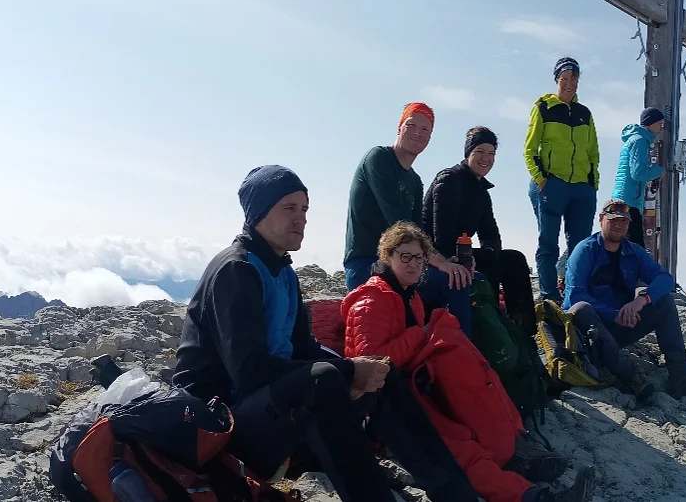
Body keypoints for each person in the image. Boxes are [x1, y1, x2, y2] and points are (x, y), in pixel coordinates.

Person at [173, 166, 478, 502]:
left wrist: (360, 368)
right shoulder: (237, 271)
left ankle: (455, 493)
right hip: (217, 426)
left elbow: (303, 347)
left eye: (304, 209)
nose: (301, 219)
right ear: (258, 212)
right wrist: (346, 372)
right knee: (324, 379)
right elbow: (249, 372)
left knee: (381, 372)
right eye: (288, 208)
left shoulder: (283, 272)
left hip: (266, 410)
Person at [342, 222, 594, 502]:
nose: (413, 265)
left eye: (419, 258)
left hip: (411, 387)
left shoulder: (407, 295)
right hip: (382, 405)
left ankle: (513, 457)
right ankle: (534, 497)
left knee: (468, 419)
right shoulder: (373, 299)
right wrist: (421, 334)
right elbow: (369, 363)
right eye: (405, 256)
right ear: (387, 257)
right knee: (457, 446)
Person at [563, 199, 686, 401]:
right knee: (580, 308)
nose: (619, 225)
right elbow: (574, 296)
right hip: (590, 332)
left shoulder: (634, 252)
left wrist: (641, 300)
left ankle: (682, 377)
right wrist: (615, 314)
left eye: (624, 221)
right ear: (601, 220)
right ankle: (630, 375)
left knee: (664, 301)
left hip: (623, 325)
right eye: (613, 220)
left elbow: (664, 279)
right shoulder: (585, 250)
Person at [343, 102, 479, 334]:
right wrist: (440, 263)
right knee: (452, 282)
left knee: (465, 276)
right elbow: (399, 224)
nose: (418, 132)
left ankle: (442, 355)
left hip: (404, 263)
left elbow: (419, 235)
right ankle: (460, 357)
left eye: (426, 129)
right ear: (399, 127)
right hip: (365, 265)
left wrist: (449, 261)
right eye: (412, 125)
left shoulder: (415, 181)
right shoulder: (378, 159)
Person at [423, 126, 537, 336]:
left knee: (513, 260)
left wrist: (491, 254)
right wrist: (460, 260)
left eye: (491, 153)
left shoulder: (481, 190)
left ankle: (522, 332)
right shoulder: (449, 180)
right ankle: (491, 324)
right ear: (468, 153)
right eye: (480, 152)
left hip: (463, 253)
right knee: (489, 264)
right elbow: (441, 234)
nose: (486, 158)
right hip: (436, 256)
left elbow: (490, 233)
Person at [524, 57, 601, 301]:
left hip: (581, 188)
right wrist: (541, 178)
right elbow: (530, 149)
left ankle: (574, 295)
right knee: (548, 244)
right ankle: (549, 296)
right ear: (557, 80)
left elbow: (593, 152)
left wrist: (592, 184)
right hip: (552, 183)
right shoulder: (543, 109)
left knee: (580, 248)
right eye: (564, 79)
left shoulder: (585, 114)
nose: (569, 84)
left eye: (574, 79)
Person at [611, 107, 665, 247]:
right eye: (660, 123)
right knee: (634, 250)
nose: (661, 127)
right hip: (629, 202)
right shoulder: (640, 141)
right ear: (651, 123)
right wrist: (659, 171)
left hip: (624, 199)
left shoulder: (635, 139)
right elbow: (638, 173)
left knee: (625, 248)